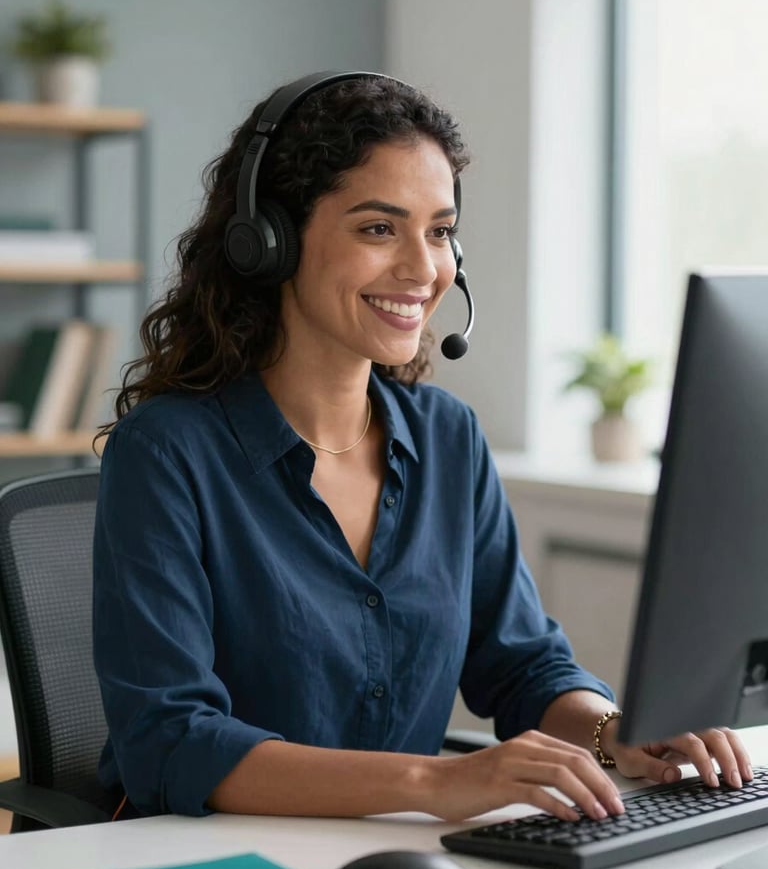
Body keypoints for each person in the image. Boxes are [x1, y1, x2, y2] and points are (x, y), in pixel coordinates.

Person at [92, 71, 752, 823]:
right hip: (206, 868)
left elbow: (523, 665)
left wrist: (617, 735)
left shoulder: (448, 439)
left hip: (394, 856)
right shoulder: (166, 454)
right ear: (268, 241)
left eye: (439, 231)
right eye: (379, 228)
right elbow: (170, 739)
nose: (424, 267)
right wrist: (434, 783)